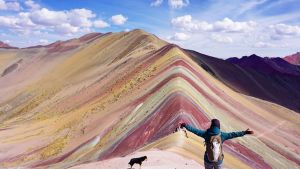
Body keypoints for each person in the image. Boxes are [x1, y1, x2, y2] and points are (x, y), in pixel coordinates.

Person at [179, 119, 254, 169]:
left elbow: (195, 130)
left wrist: (185, 125)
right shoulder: (222, 135)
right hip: (219, 160)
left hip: (208, 159)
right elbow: (233, 134)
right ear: (218, 126)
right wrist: (244, 132)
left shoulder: (206, 134)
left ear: (212, 126)